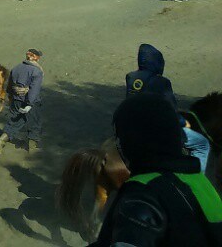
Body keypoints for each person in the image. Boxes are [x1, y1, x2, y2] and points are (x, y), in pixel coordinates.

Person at [90, 93, 222, 247]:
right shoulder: (203, 185)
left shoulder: (142, 194)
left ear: (132, 140)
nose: (118, 145)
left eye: (120, 137)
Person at [125, 43, 211, 173]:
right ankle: (198, 177)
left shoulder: (131, 78)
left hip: (133, 127)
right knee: (202, 144)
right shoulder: (161, 82)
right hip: (156, 130)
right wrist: (183, 122)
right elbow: (170, 110)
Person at [0, 48, 44, 153]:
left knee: (14, 121)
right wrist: (29, 104)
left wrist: (10, 98)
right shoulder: (37, 71)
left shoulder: (16, 68)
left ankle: (0, 141)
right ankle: (32, 148)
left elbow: (9, 86)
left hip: (16, 100)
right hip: (30, 101)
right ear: (35, 58)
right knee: (35, 122)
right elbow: (34, 90)